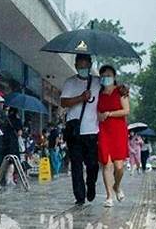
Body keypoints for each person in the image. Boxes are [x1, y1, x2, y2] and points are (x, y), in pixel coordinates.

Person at [60, 54, 101, 205]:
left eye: (86, 66)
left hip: (92, 131)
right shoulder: (70, 82)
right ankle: (79, 196)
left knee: (92, 165)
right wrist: (80, 98)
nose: (83, 68)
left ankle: (91, 185)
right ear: (76, 65)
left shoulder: (97, 82)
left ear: (90, 65)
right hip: (75, 131)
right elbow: (63, 102)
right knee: (76, 165)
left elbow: (111, 90)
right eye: (80, 66)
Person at [97, 65, 130, 207]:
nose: (106, 78)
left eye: (109, 75)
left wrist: (109, 114)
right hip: (104, 131)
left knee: (119, 167)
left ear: (114, 76)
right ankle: (109, 196)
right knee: (106, 164)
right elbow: (97, 113)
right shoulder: (99, 94)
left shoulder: (121, 91)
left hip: (118, 132)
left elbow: (126, 110)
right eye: (103, 75)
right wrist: (100, 116)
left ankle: (116, 186)